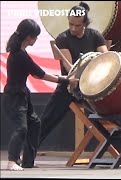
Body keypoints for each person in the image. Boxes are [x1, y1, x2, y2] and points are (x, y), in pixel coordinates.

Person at [32, 2, 121, 161]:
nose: (73, 28)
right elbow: (69, 68)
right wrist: (75, 77)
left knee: (116, 113)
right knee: (47, 119)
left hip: (91, 88)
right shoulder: (63, 38)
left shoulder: (95, 36)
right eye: (71, 24)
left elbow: (106, 59)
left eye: (77, 25)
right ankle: (29, 153)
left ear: (85, 24)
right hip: (70, 87)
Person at [2, 18, 79, 171]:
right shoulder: (19, 55)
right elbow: (40, 74)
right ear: (28, 36)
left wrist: (63, 79)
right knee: (21, 129)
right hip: (14, 97)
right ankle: (12, 161)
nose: (36, 39)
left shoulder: (21, 53)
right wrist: (64, 80)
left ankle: (27, 161)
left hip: (23, 95)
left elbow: (38, 73)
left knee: (35, 124)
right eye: (35, 36)